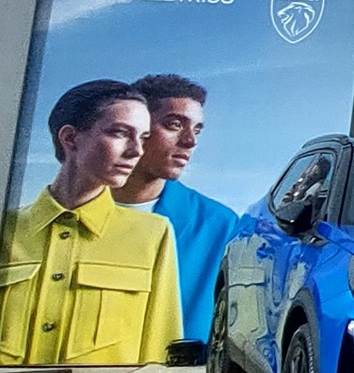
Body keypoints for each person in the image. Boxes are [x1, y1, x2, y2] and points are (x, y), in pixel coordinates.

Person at [1, 79, 180, 365]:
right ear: (70, 138)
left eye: (143, 138)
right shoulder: (5, 228)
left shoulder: (153, 235)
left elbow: (161, 355)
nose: (137, 151)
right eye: (121, 133)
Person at [111, 74, 240, 343]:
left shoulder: (220, 225)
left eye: (197, 130)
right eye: (174, 125)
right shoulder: (66, 214)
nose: (190, 141)